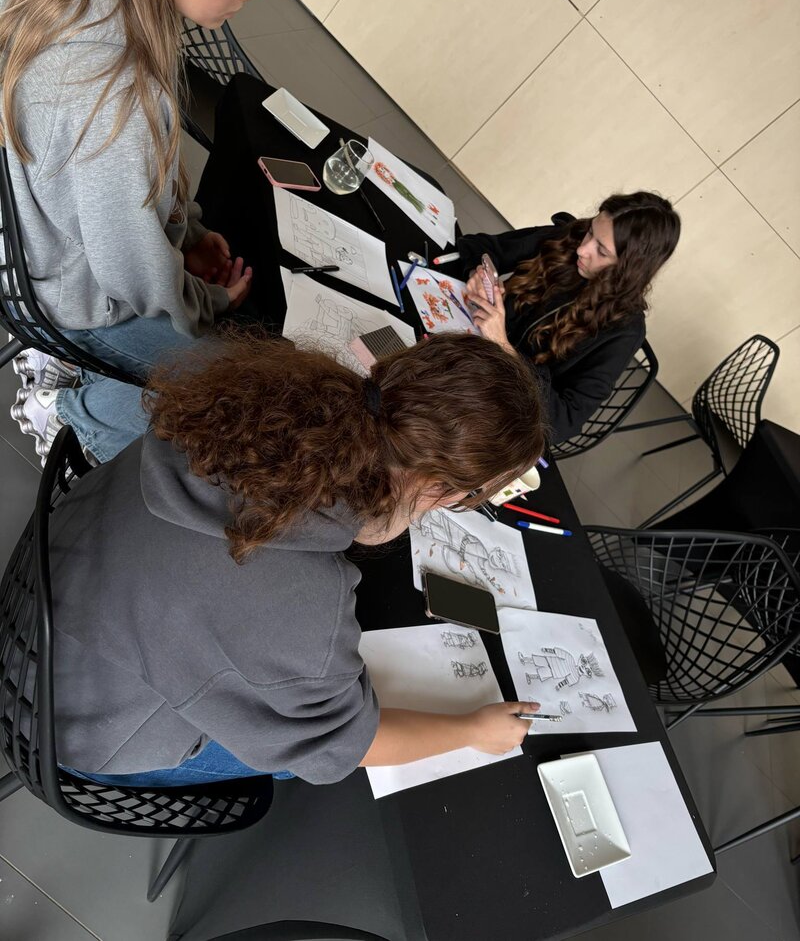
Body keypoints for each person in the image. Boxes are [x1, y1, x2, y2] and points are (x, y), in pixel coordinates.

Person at [50, 331, 546, 786]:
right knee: (291, 761)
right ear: (442, 489)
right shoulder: (304, 608)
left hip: (48, 594)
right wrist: (473, 730)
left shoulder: (252, 392)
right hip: (74, 723)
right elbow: (345, 746)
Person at [0, 0, 275, 464]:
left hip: (34, 237)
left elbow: (121, 198)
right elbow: (133, 274)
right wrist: (206, 302)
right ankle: (69, 412)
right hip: (58, 294)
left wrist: (187, 234)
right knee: (243, 393)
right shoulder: (113, 95)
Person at [455, 192, 681, 443]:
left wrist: (502, 345)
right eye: (591, 232)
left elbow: (564, 421)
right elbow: (480, 246)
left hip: (498, 405)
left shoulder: (624, 331)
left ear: (627, 269)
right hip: (465, 351)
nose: (583, 249)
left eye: (601, 250)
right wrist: (479, 274)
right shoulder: (568, 238)